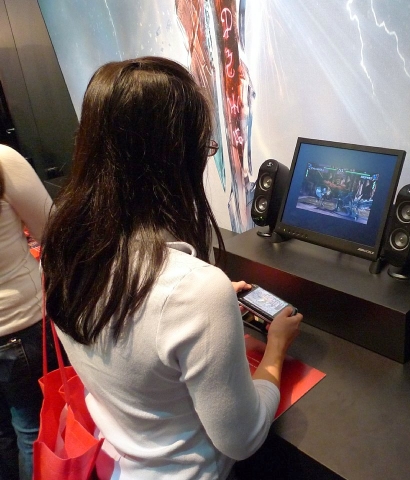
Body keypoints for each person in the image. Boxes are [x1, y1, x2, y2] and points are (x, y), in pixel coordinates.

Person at [40, 57, 303, 480]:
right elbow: (242, 438)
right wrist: (276, 348)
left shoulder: (63, 246)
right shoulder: (195, 289)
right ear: (177, 159)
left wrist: (202, 309)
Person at [0, 144, 54, 480]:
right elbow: (51, 229)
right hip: (18, 327)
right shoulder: (3, 161)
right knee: (34, 431)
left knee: (4, 433)